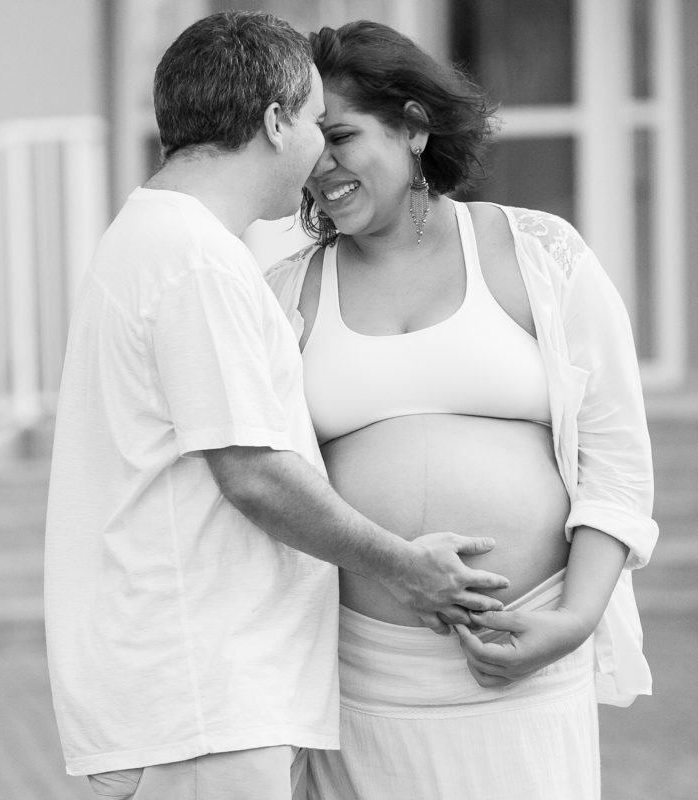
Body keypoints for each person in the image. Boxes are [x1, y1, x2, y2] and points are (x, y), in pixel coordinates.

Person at [44, 12, 511, 800]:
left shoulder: (154, 240)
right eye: (313, 121)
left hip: (197, 699)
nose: (321, 154)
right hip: (208, 701)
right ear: (274, 121)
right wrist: (406, 568)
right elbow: (254, 475)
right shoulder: (197, 263)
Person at [264, 21, 656, 800]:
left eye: (340, 135)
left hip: (525, 658)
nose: (322, 166)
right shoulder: (284, 292)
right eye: (308, 145)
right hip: (363, 676)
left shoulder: (538, 253)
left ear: (413, 126)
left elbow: (618, 460)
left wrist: (574, 620)